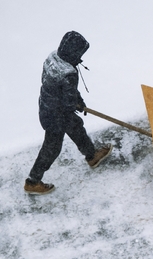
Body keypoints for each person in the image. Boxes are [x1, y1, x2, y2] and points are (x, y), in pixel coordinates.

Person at [24, 31, 112, 195]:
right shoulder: (68, 73)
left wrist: (76, 102)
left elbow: (64, 91)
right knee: (52, 148)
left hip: (47, 105)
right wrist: (76, 103)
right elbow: (68, 100)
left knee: (76, 128)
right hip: (56, 115)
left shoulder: (53, 58)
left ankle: (92, 155)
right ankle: (32, 181)